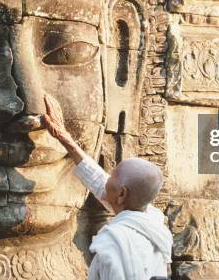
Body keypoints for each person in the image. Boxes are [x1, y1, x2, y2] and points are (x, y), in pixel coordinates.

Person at [42, 95, 173, 280]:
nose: (107, 178)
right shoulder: (154, 224)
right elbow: (98, 181)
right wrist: (65, 138)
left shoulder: (114, 242)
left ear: (121, 194)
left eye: (112, 176)